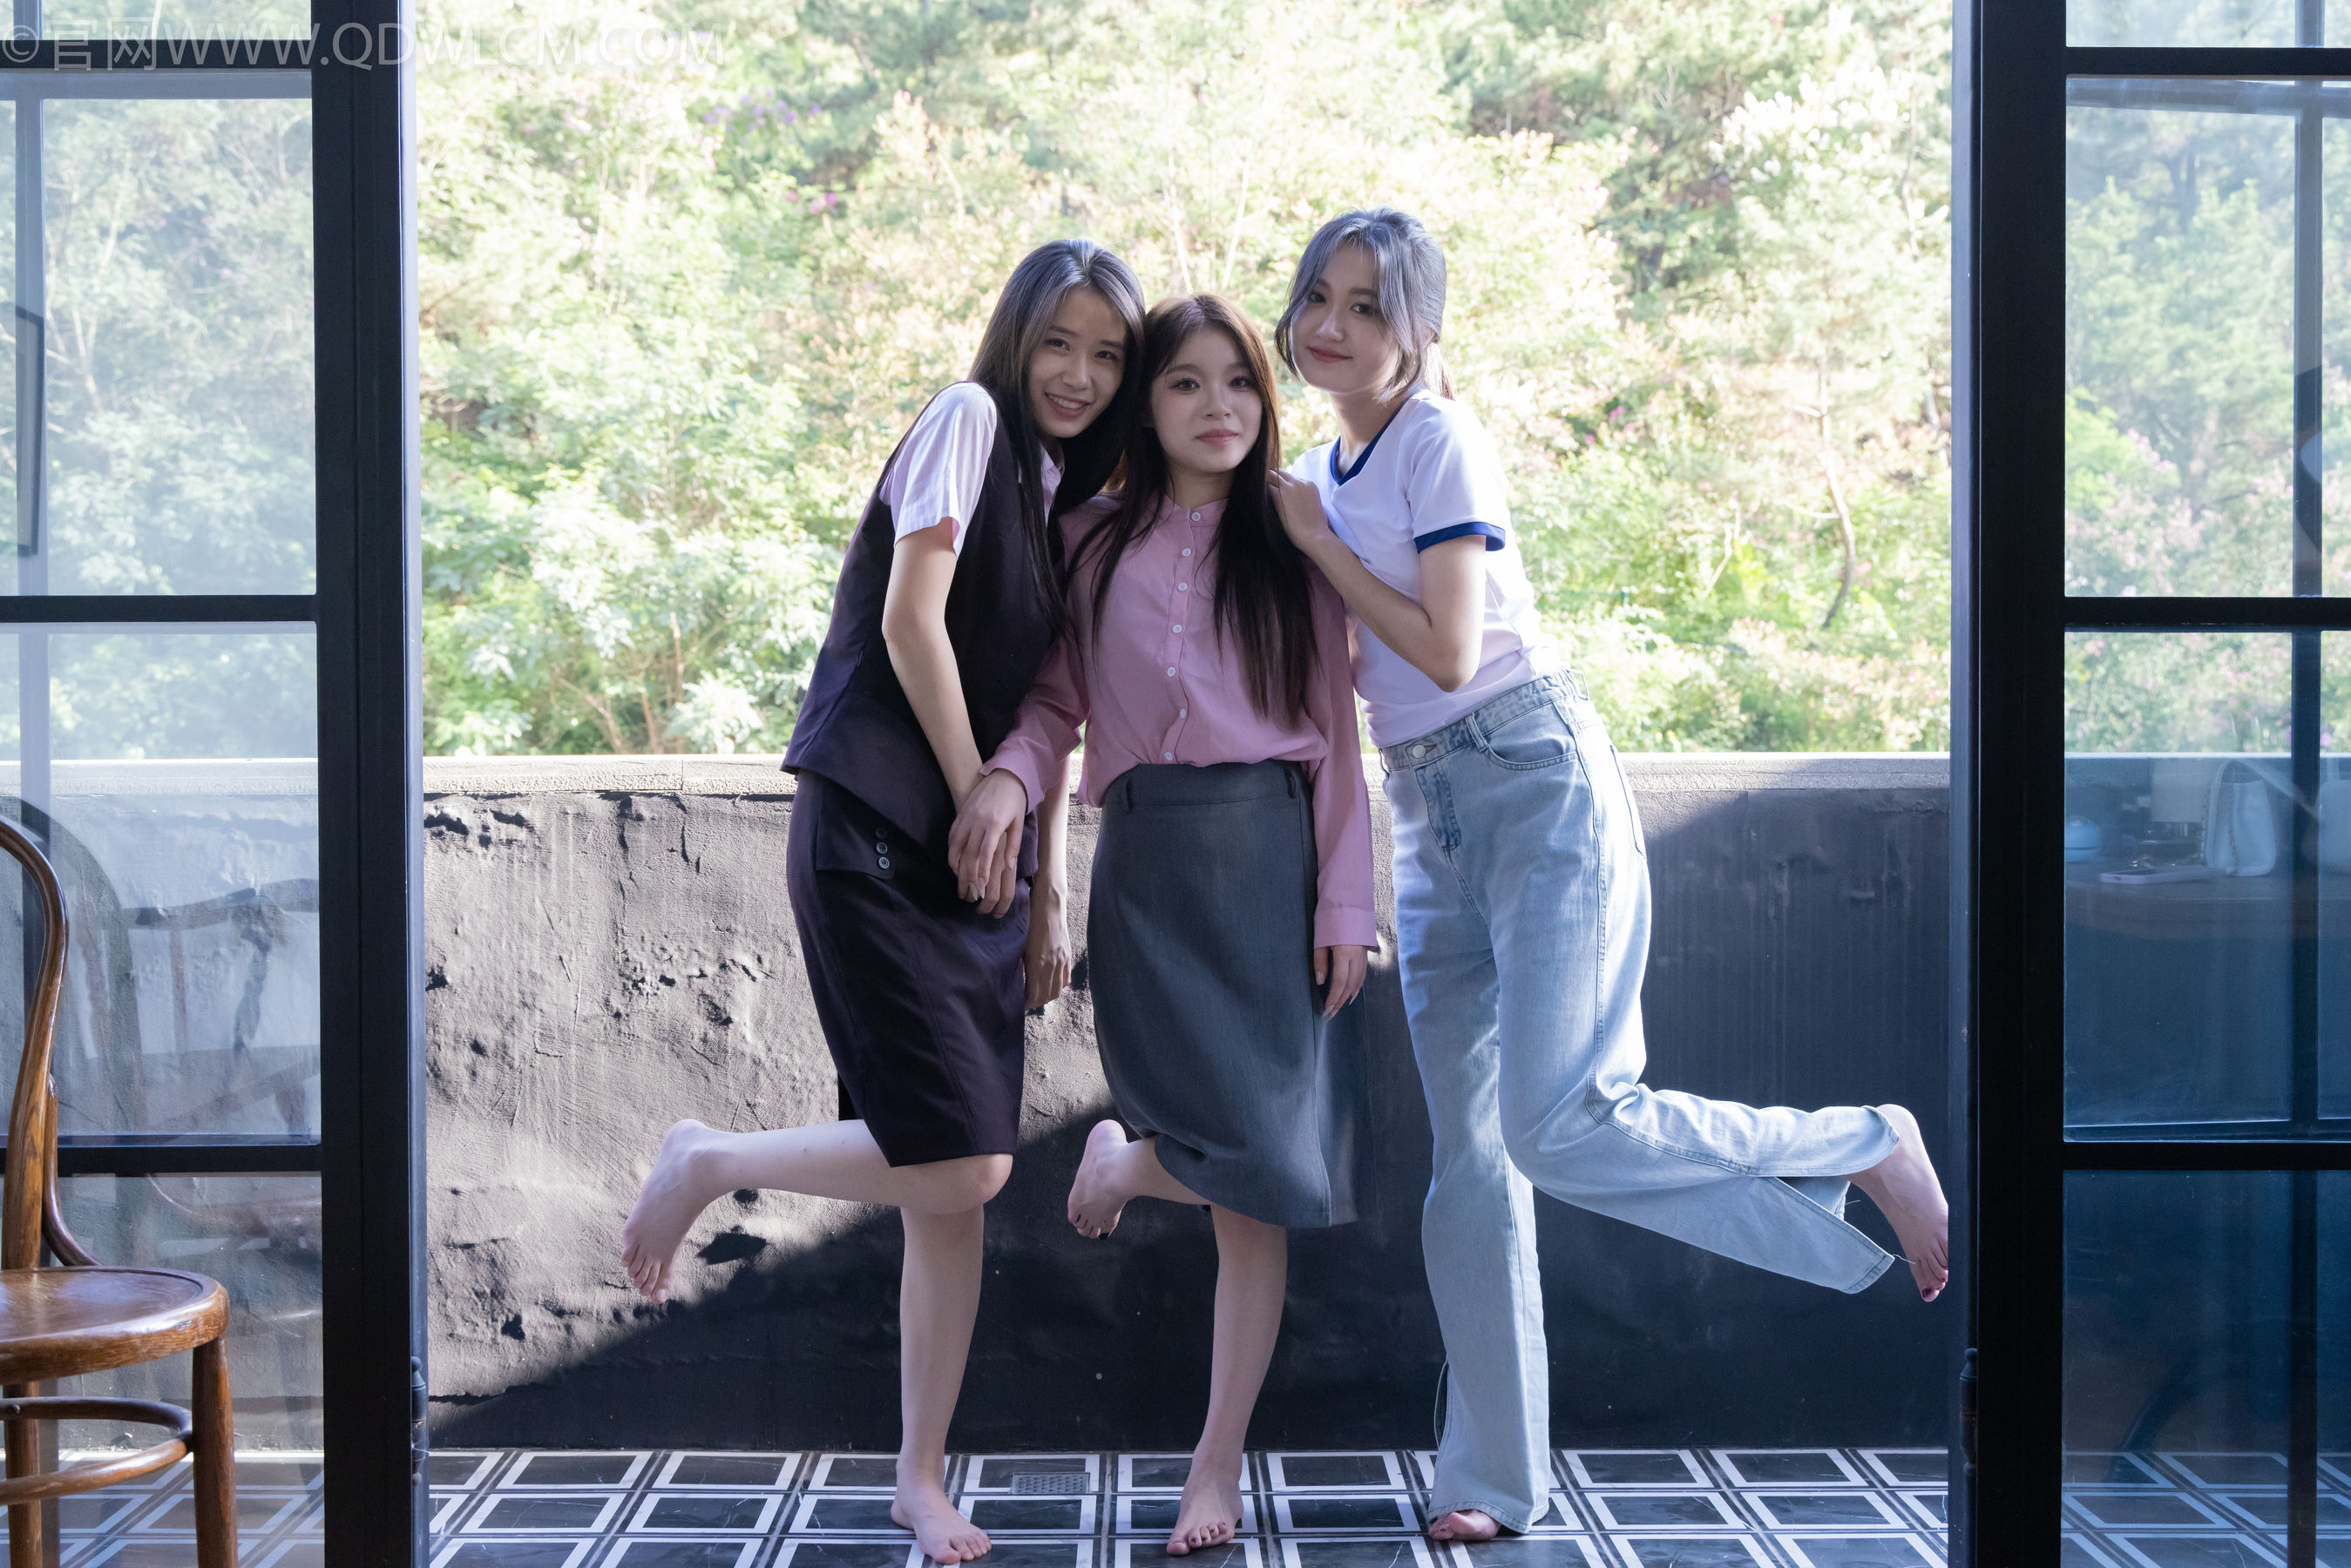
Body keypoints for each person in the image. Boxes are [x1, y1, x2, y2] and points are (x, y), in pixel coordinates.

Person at [1263, 207, 1951, 1544]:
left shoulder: (1434, 443)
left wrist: (1317, 546)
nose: (1330, 324)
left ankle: (1864, 1141)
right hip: (1426, 809)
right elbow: (1345, 675)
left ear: (1420, 329)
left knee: (1563, 1122)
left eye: (1366, 303)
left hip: (1530, 779)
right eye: (1316, 298)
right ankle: (1490, 1480)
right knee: (1469, 1169)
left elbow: (1447, 649)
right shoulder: (1318, 473)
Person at [618, 239, 1147, 1566]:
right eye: (1057, 342)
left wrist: (1043, 892)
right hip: (873, 829)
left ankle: (919, 1476)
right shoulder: (966, 421)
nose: (1079, 375)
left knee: (944, 1195)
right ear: (1014, 339)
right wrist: (977, 798)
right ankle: (709, 1160)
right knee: (965, 1159)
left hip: (976, 865)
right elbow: (912, 622)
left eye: (1107, 354)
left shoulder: (1067, 500)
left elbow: (1053, 719)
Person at [950, 294, 1374, 1557]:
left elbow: (1335, 740)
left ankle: (1212, 1459)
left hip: (1272, 867)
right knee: (1248, 1169)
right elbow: (1052, 706)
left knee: (1271, 1179)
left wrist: (1345, 902)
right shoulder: (1087, 539)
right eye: (1186, 382)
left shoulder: (1295, 539)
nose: (1217, 406)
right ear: (1147, 403)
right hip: (1147, 868)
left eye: (1238, 382)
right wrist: (1009, 782)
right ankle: (1139, 1165)